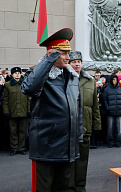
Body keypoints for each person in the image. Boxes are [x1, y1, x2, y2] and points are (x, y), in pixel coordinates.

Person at [21, 28, 83, 192]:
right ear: (52, 54)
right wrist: (48, 62)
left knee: (62, 188)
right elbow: (29, 88)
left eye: (68, 52)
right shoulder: (38, 75)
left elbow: (77, 109)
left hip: (67, 146)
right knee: (43, 189)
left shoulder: (71, 76)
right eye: (63, 53)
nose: (68, 57)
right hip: (46, 147)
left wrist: (78, 137)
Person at [68, 51, 101, 192]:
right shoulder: (64, 78)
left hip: (85, 126)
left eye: (79, 62)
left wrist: (96, 124)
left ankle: (80, 186)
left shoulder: (90, 81)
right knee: (69, 160)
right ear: (69, 64)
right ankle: (69, 187)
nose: (77, 64)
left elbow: (95, 105)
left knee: (82, 160)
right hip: (68, 127)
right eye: (74, 62)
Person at [2, 67, 30, 156]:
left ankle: (21, 148)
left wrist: (29, 111)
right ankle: (14, 148)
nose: (17, 74)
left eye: (19, 72)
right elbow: (5, 100)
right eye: (15, 73)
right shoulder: (8, 85)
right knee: (13, 131)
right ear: (12, 74)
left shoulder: (25, 84)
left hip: (23, 111)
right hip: (12, 112)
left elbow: (29, 99)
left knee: (22, 131)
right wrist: (6, 112)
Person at [102, 74, 121, 148]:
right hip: (110, 111)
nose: (114, 81)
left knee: (119, 128)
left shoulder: (120, 89)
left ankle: (118, 141)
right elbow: (104, 99)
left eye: (116, 80)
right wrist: (107, 108)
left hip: (119, 110)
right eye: (113, 79)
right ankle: (110, 141)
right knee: (110, 128)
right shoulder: (107, 89)